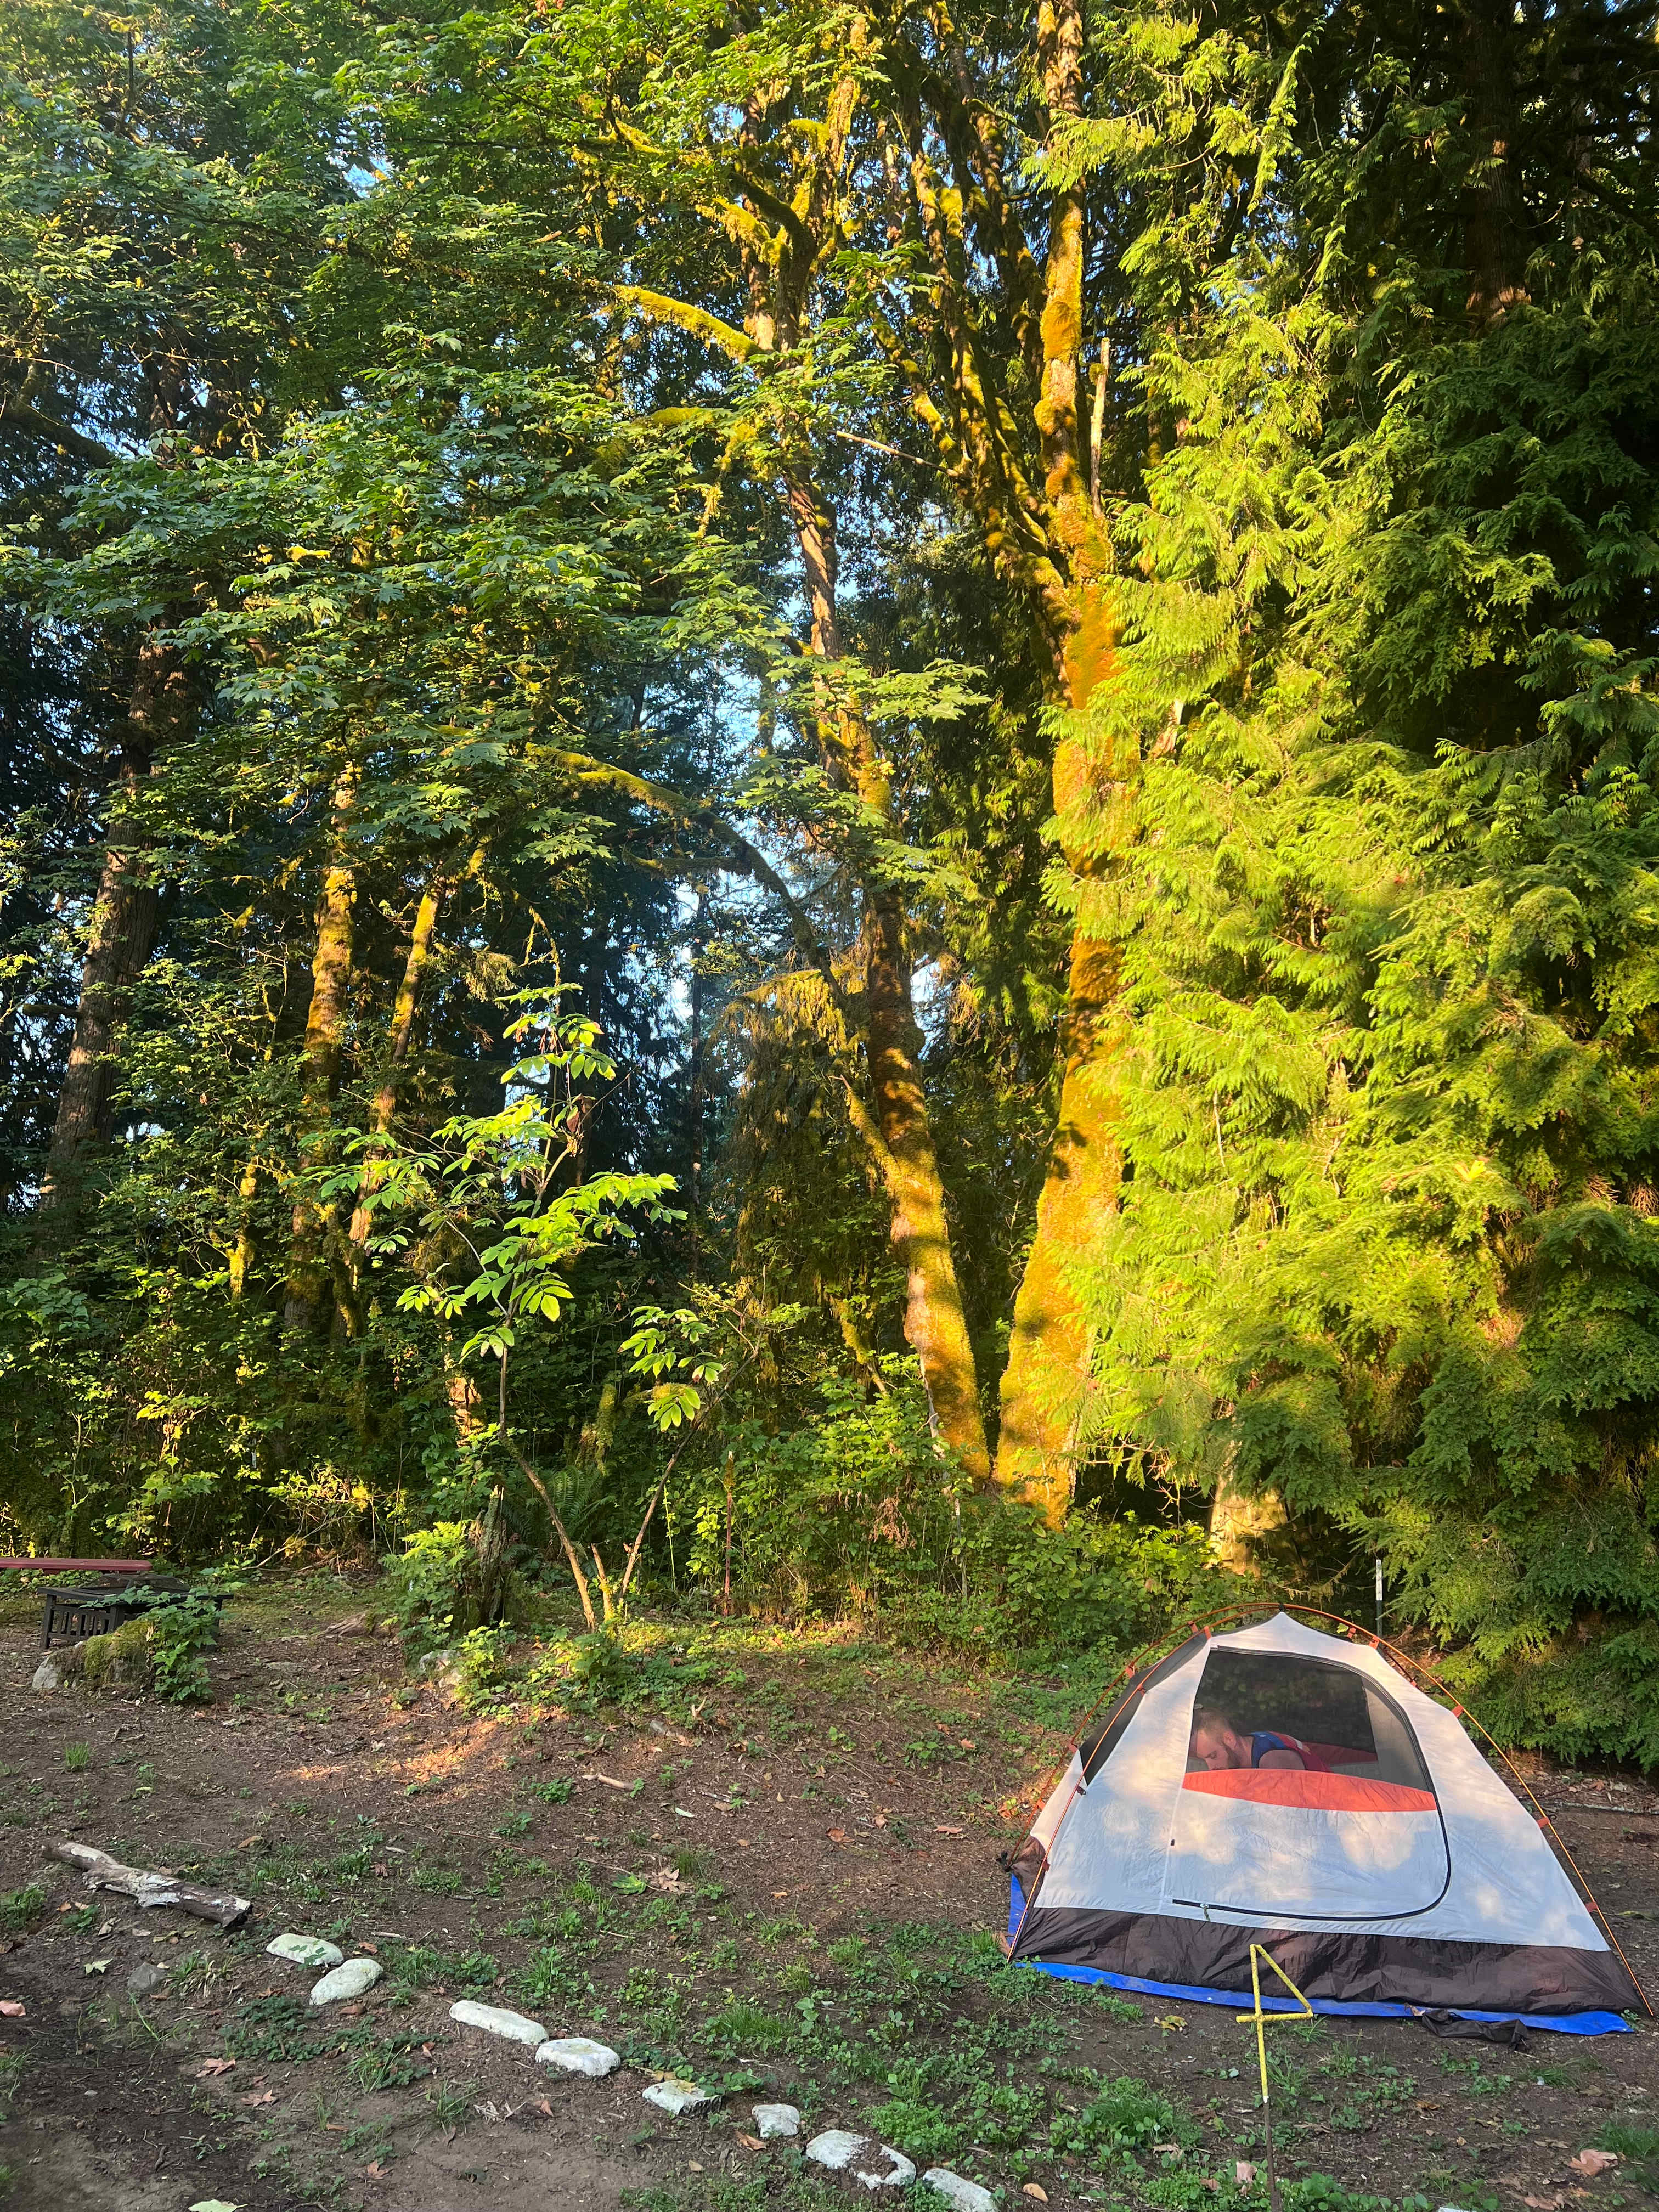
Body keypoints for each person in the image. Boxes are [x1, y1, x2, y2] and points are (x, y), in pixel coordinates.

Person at [1188, 1703, 1327, 1773]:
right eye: (1204, 1759)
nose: (1211, 1768)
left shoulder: (1273, 1761)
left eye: (1213, 1756)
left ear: (1229, 1739)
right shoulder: (1251, 1742)